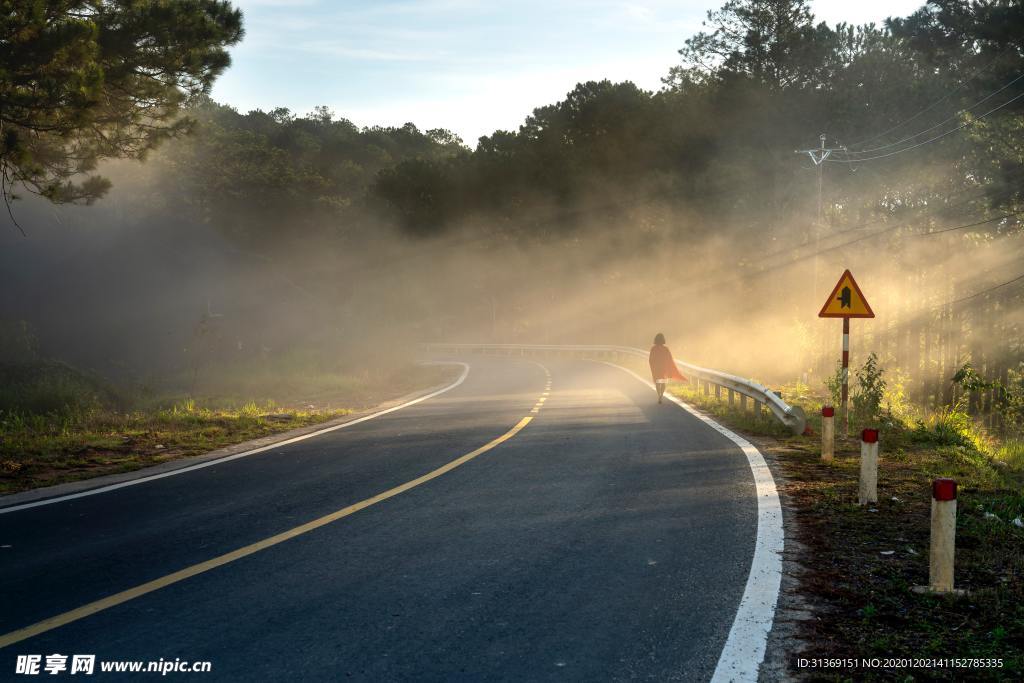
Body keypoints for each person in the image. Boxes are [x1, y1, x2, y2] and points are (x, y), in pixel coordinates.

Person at [649, 333, 686, 404]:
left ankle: (659, 395)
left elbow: (651, 359)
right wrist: (669, 368)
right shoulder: (665, 349)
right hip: (663, 368)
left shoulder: (653, 348)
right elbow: (669, 359)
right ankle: (661, 395)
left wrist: (652, 367)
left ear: (655, 340)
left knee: (657, 382)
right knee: (662, 382)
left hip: (656, 368)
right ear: (663, 340)